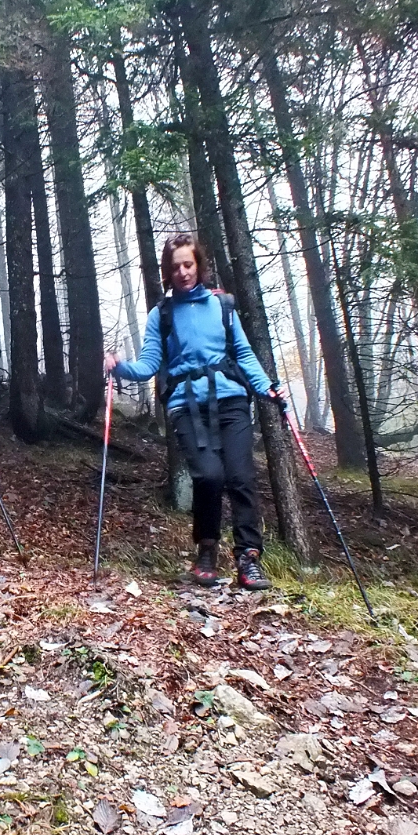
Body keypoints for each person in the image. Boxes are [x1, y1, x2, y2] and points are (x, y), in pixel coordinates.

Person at [105, 232, 285, 590]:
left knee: (240, 477)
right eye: (176, 267)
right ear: (167, 273)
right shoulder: (163, 314)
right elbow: (150, 364)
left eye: (188, 264)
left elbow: (244, 354)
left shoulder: (223, 306)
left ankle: (248, 559)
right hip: (186, 405)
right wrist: (118, 366)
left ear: (199, 265)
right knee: (208, 475)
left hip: (231, 399)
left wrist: (267, 387)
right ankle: (206, 551)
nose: (183, 272)